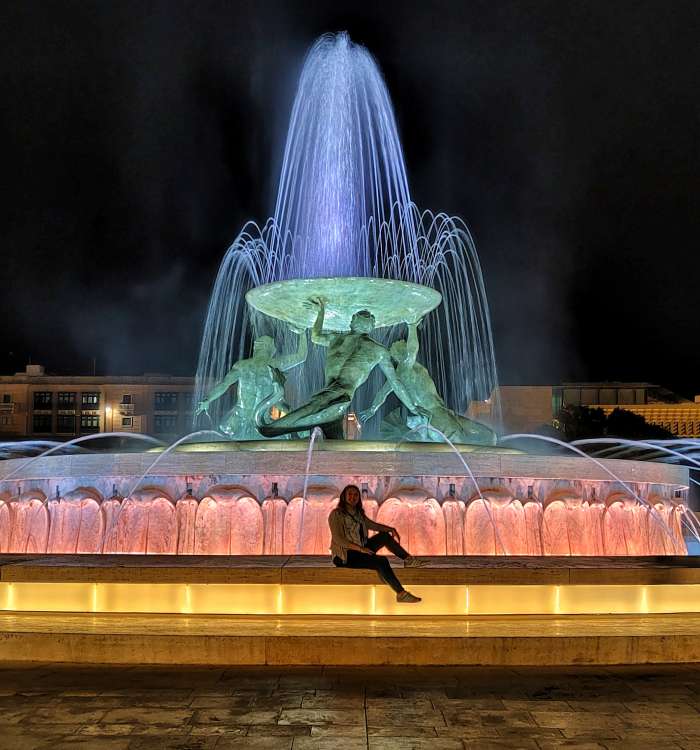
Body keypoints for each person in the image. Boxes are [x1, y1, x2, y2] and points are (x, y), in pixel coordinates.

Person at [259, 299, 427, 439]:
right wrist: (411, 407)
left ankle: (277, 397)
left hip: (335, 399)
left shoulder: (344, 340)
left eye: (369, 317)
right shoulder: (373, 348)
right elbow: (395, 382)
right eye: (365, 317)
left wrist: (321, 312)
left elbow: (315, 335)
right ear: (356, 322)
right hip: (333, 399)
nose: (367, 319)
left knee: (268, 429)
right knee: (334, 446)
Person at [360, 321, 496, 445]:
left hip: (441, 413)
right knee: (462, 446)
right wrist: (412, 326)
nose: (407, 350)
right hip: (436, 416)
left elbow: (382, 394)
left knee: (489, 437)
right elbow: (413, 350)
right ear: (399, 355)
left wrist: (372, 409)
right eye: (403, 348)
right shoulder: (404, 369)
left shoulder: (404, 373)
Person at [195, 328, 308, 440]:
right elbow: (301, 356)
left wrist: (208, 400)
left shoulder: (241, 366)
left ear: (256, 348)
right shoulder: (275, 364)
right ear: (269, 349)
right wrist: (302, 333)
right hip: (264, 421)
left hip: (240, 421)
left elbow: (224, 385)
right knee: (291, 428)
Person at [328, 484, 427, 603]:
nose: (352, 497)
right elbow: (339, 539)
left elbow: (372, 525)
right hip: (345, 556)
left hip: (360, 550)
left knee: (384, 536)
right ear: (344, 496)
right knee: (381, 561)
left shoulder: (358, 514)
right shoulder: (336, 514)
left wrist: (390, 529)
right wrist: (361, 549)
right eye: (349, 494)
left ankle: (408, 560)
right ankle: (401, 593)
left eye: (355, 495)